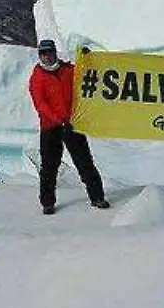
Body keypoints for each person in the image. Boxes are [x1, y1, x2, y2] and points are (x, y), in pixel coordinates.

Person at [28, 39, 110, 214]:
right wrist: (59, 120)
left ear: (54, 52)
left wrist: (90, 59)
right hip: (51, 127)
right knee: (49, 167)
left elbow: (87, 75)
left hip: (72, 124)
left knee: (85, 163)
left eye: (49, 53)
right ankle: (47, 203)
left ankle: (97, 198)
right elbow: (41, 105)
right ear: (39, 56)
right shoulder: (37, 78)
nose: (47, 57)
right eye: (43, 54)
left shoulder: (68, 71)